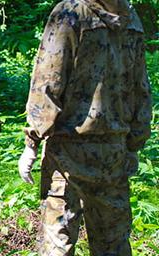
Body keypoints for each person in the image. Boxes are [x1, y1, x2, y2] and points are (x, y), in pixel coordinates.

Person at [18, 0, 151, 255]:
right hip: (114, 152)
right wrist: (134, 141)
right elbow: (140, 89)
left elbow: (49, 79)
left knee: (58, 241)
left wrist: (32, 141)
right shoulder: (131, 18)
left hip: (68, 153)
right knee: (113, 244)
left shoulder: (70, 12)